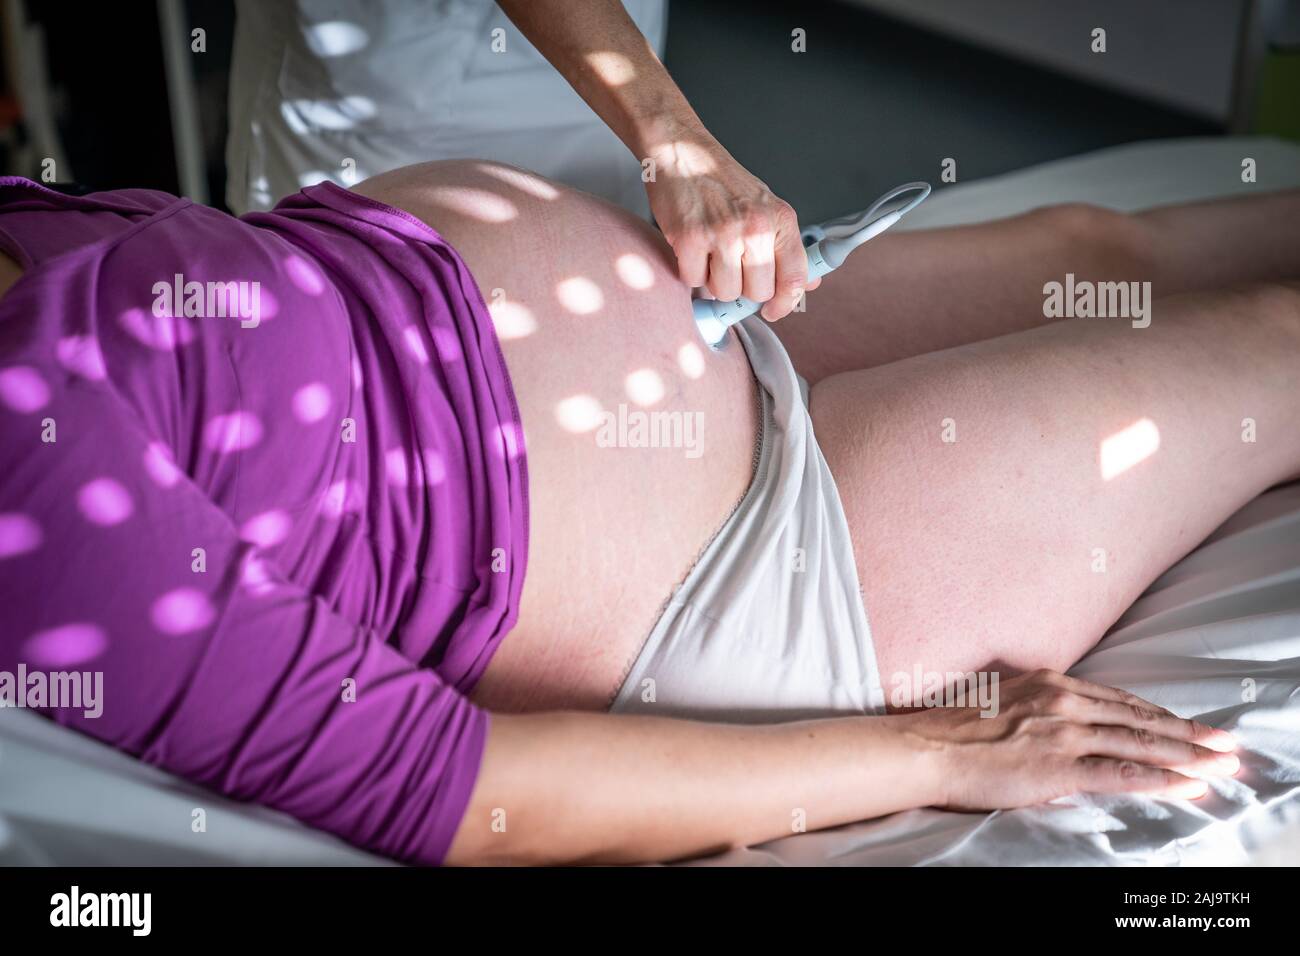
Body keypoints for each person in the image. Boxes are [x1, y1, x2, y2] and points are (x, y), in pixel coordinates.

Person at [3, 160, 1296, 865]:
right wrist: (952, 753)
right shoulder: (28, 495)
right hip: (744, 552)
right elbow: (461, 795)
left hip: (694, 340)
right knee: (1274, 344)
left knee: (1108, 249)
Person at [227, 0, 814, 322]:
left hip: (605, 69)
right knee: (358, 337)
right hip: (391, 88)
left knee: (596, 308)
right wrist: (676, 143)